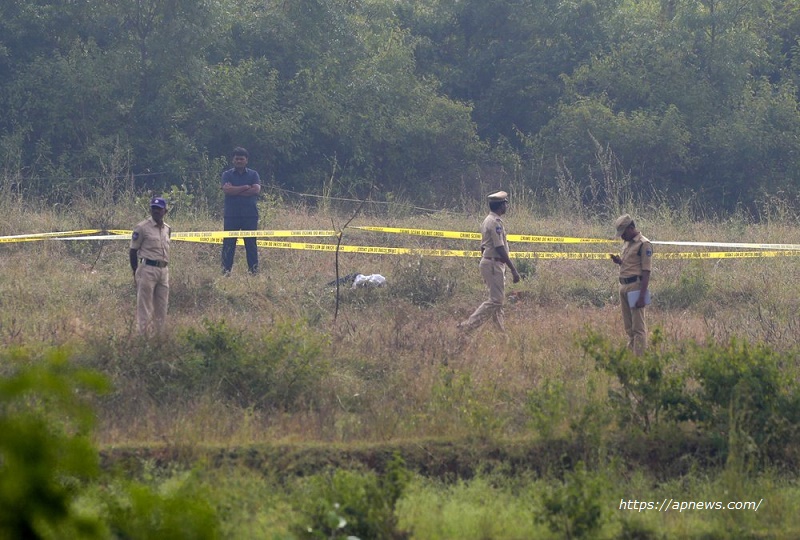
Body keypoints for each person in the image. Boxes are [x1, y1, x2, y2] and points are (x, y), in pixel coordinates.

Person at [457, 191, 521, 334]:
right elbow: (499, 247)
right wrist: (513, 269)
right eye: (505, 203)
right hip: (493, 264)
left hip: (491, 263)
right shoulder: (495, 223)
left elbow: (483, 246)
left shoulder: (488, 220)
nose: (507, 206)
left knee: (497, 302)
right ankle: (467, 326)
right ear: (500, 206)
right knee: (496, 301)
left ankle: (501, 334)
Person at [610, 214, 652, 356]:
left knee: (638, 328)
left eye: (624, 233)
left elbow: (646, 271)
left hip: (636, 287)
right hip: (624, 286)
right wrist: (619, 262)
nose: (622, 237)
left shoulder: (644, 244)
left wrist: (642, 296)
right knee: (629, 327)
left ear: (631, 228)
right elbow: (631, 264)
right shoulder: (627, 243)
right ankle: (630, 356)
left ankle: (639, 360)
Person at [129, 197, 171, 335]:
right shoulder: (142, 227)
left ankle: (158, 338)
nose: (156, 211)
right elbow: (133, 250)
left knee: (162, 307)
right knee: (145, 307)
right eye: (154, 208)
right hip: (147, 269)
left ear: (165, 211)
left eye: (159, 209)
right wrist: (136, 272)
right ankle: (143, 338)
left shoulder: (167, 229)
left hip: (163, 270)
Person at [221, 147, 261, 274]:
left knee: (251, 244)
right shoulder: (227, 174)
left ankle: (253, 272)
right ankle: (225, 272)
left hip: (250, 215)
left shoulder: (253, 174)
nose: (239, 161)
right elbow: (227, 190)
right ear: (233, 160)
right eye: (236, 158)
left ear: (246, 160)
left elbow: (256, 190)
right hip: (231, 215)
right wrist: (245, 187)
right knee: (228, 244)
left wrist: (235, 190)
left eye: (241, 159)